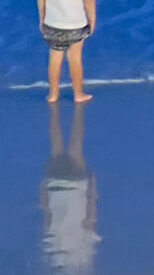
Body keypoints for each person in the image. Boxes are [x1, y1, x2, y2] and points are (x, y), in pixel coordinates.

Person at [41, 102, 101, 273]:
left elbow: (90, 220)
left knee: (76, 145)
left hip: (76, 188)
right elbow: (47, 217)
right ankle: (55, 104)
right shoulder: (56, 256)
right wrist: (44, 191)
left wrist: (92, 190)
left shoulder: (83, 257)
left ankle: (78, 107)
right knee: (57, 144)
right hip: (56, 190)